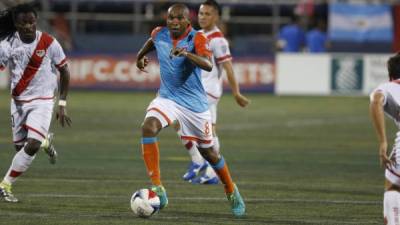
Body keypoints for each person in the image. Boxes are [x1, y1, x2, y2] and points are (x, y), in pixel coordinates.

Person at [135, 3, 245, 217]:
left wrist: (186, 54)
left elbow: (208, 64)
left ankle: (231, 189)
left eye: (179, 18)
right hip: (168, 98)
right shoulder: (160, 33)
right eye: (170, 18)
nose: (174, 22)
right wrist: (139, 57)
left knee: (209, 153)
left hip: (194, 105)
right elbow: (151, 41)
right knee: (148, 128)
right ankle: (158, 188)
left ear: (187, 20)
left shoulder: (198, 38)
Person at [0, 3, 72, 202]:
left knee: (31, 145)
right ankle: (45, 141)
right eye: (24, 23)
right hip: (19, 102)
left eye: (32, 22)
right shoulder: (7, 44)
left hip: (44, 100)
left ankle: (4, 185)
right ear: (16, 24)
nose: (29, 26)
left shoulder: (49, 42)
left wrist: (62, 104)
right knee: (21, 149)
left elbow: (65, 70)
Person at [180, 0, 250, 185]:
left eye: (207, 14)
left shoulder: (218, 40)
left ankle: (202, 164)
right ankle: (206, 168)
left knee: (185, 123)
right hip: (196, 88)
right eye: (201, 13)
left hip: (208, 91)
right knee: (199, 130)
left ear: (216, 16)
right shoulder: (199, 34)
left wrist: (236, 93)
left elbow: (228, 67)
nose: (203, 17)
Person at [370, 53, 400, 225]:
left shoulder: (389, 86)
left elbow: (376, 101)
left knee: (393, 186)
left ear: (391, 75)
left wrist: (383, 141)